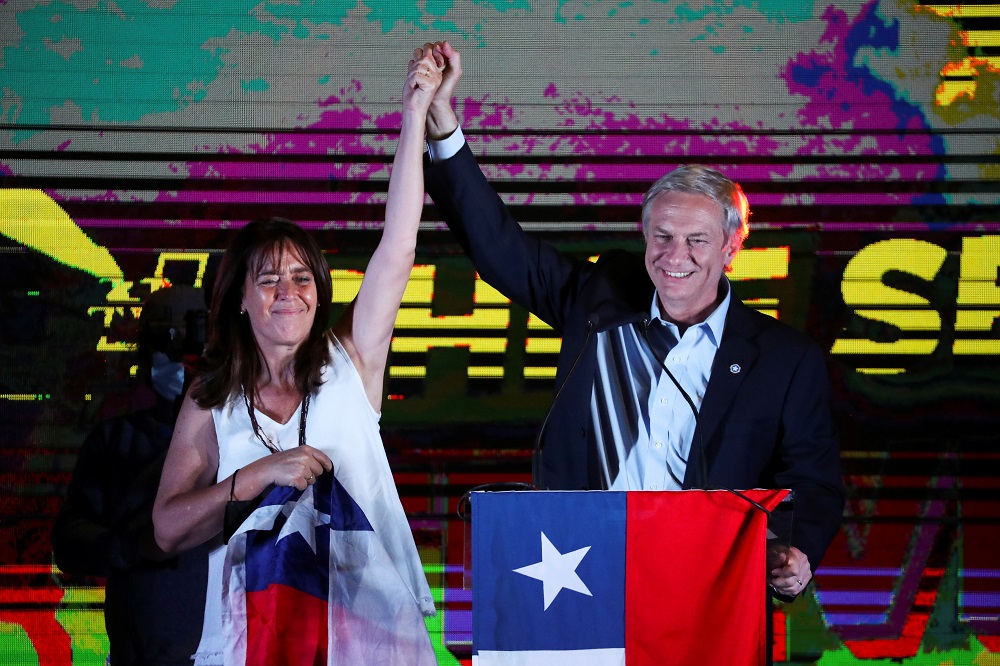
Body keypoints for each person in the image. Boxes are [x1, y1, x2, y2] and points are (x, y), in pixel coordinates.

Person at [421, 41, 844, 600]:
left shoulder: (784, 359)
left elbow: (813, 480)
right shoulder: (599, 303)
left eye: (697, 240)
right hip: (582, 575)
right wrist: (442, 122)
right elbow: (499, 247)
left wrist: (796, 554)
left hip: (706, 587)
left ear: (731, 247)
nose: (675, 256)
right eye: (662, 236)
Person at [152, 47, 444, 665]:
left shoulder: (350, 358)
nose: (288, 291)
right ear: (240, 300)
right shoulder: (212, 399)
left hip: (368, 640)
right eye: (268, 279)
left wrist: (414, 116)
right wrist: (259, 475)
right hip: (255, 639)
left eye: (302, 277)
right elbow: (169, 528)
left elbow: (398, 247)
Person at [52, 284, 210, 666]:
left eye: (192, 355)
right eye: (168, 349)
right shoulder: (116, 441)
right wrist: (134, 547)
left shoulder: (242, 435)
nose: (180, 366)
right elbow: (70, 541)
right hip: (143, 646)